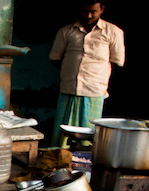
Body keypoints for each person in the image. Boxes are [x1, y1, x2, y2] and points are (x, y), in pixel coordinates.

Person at [49, 0, 125, 147]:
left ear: (102, 9)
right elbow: (55, 58)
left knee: (88, 137)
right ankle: (59, 162)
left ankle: (84, 166)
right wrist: (71, 72)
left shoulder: (113, 32)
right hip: (68, 89)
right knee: (61, 136)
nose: (88, 15)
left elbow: (116, 62)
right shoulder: (66, 32)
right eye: (84, 11)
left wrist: (97, 76)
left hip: (94, 91)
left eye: (93, 11)